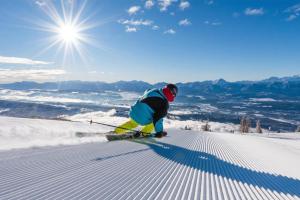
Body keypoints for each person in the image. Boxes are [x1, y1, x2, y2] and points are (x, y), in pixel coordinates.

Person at [114, 83, 178, 138]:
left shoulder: (155, 90)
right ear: (171, 92)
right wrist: (159, 132)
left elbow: (147, 91)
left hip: (133, 111)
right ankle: (144, 133)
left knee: (132, 123)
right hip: (142, 118)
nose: (174, 95)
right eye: (174, 93)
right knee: (153, 122)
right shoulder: (164, 104)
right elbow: (158, 119)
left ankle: (116, 131)